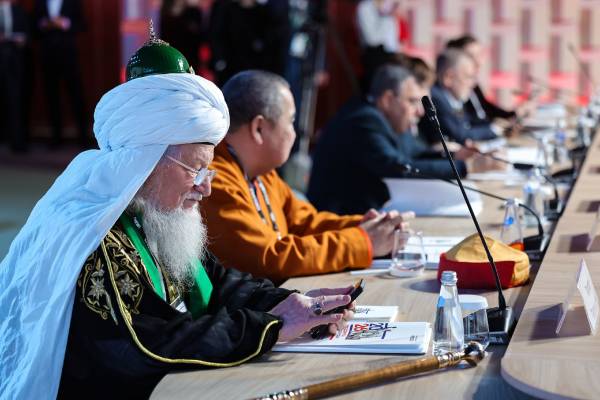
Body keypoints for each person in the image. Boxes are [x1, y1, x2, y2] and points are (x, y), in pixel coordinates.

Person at [0, 35, 357, 399]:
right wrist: (270, 326)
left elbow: (216, 279)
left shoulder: (154, 210)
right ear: (146, 162)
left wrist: (287, 304)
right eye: (196, 170)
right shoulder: (93, 235)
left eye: (208, 171)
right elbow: (143, 345)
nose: (206, 188)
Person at [202, 69, 411, 283]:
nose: (295, 132)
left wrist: (368, 227)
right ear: (259, 128)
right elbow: (269, 258)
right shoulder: (216, 181)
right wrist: (362, 242)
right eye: (291, 121)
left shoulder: (261, 173)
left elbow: (304, 223)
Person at [307, 64, 471, 215]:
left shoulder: (386, 119)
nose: (420, 112)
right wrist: (463, 168)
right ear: (388, 100)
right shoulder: (364, 120)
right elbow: (397, 167)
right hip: (339, 221)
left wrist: (456, 156)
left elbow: (414, 153)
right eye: (412, 101)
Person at [34, 0, 89, 147]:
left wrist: (64, 23)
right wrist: (43, 24)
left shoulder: (73, 2)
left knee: (76, 96)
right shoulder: (39, 2)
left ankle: (83, 137)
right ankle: (56, 138)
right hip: (47, 55)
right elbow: (33, 26)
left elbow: (82, 24)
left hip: (68, 55)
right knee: (51, 97)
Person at [446, 35, 533, 124]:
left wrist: (514, 114)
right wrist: (495, 127)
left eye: (479, 55)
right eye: (471, 56)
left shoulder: (474, 85)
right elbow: (467, 123)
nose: (478, 61)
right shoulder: (455, 88)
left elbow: (487, 109)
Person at [418, 48, 498, 145]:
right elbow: (459, 135)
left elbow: (468, 124)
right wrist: (494, 130)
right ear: (449, 77)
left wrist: (495, 126)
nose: (473, 84)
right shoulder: (435, 98)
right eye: (468, 77)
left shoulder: (453, 98)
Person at [0, 0, 28, 152]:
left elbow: (28, 34)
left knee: (15, 101)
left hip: (13, 62)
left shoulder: (19, 11)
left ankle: (17, 142)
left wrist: (21, 39)